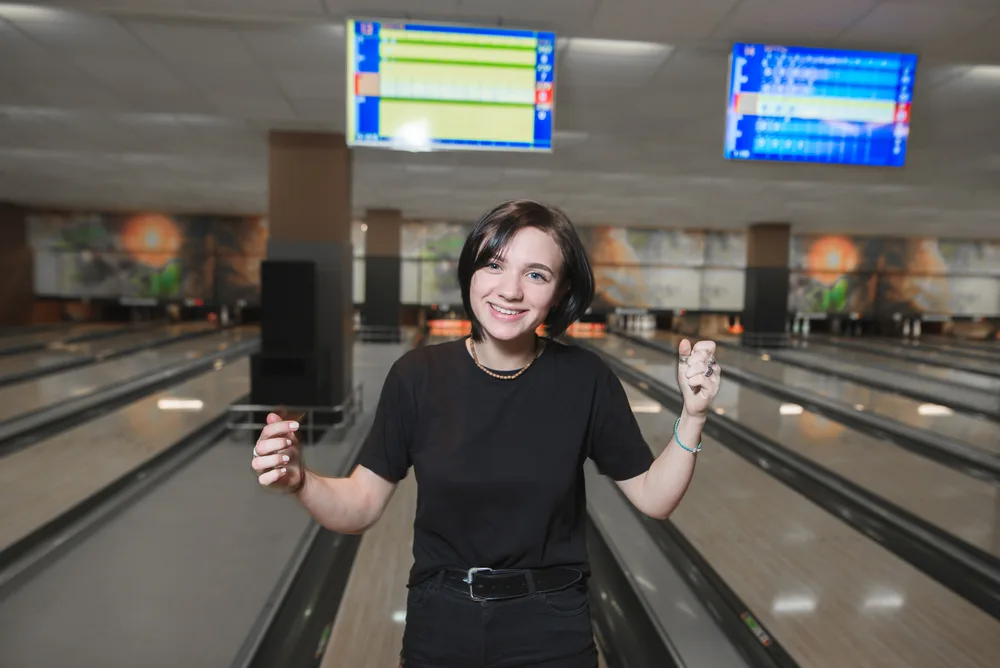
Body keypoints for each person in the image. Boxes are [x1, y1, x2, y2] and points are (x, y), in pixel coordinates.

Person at [250, 200, 721, 667]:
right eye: (494, 265)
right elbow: (360, 504)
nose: (510, 290)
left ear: (559, 293)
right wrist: (300, 480)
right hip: (441, 619)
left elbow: (654, 498)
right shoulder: (418, 376)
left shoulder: (585, 379)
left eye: (536, 274)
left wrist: (694, 413)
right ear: (472, 272)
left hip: (551, 623)